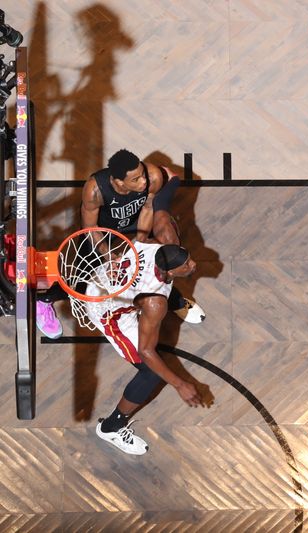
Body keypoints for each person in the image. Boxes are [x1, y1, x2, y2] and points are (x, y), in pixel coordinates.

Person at [35, 149, 205, 338]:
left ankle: (173, 300)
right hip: (103, 229)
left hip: (137, 222)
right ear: (118, 182)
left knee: (164, 260)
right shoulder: (95, 190)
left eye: (142, 175)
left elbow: (148, 208)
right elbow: (90, 227)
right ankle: (44, 299)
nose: (143, 182)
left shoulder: (153, 177)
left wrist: (140, 243)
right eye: (135, 180)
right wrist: (110, 256)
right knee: (80, 280)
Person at [86, 242, 203, 455]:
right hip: (106, 310)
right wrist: (179, 384)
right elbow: (146, 351)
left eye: (188, 258)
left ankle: (177, 302)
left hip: (104, 278)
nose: (193, 264)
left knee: (162, 293)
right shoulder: (155, 303)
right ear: (169, 270)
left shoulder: (152, 247)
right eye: (186, 264)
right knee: (151, 373)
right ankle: (111, 427)